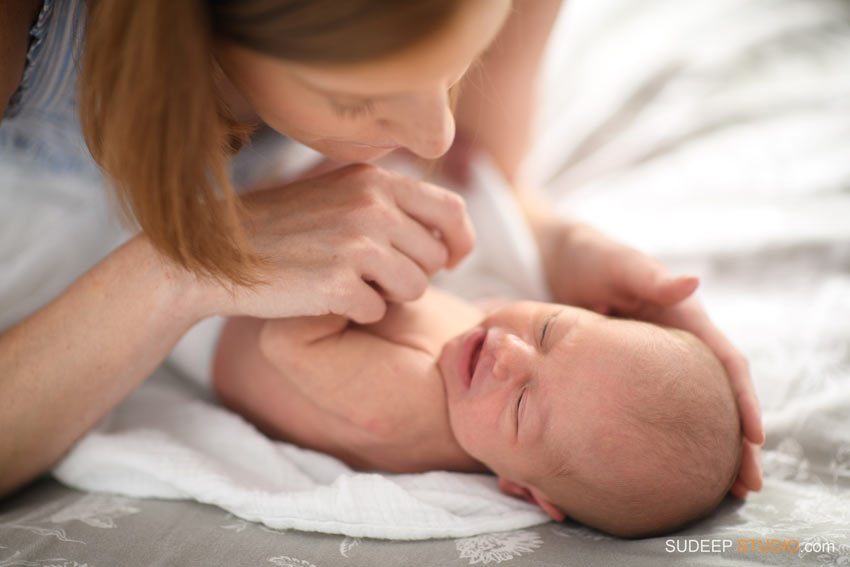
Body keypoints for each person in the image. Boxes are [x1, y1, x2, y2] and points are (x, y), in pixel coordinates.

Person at [0, 0, 762, 500]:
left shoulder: (407, 412)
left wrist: (558, 240)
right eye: (360, 100)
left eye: (464, 65)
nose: (435, 137)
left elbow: (475, 167)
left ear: (526, 489)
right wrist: (187, 266)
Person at [212, 286, 742, 537]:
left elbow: (282, 336)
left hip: (216, 312)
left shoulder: (413, 404)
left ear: (521, 488)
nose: (511, 352)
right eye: (550, 330)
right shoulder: (476, 371)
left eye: (519, 404)